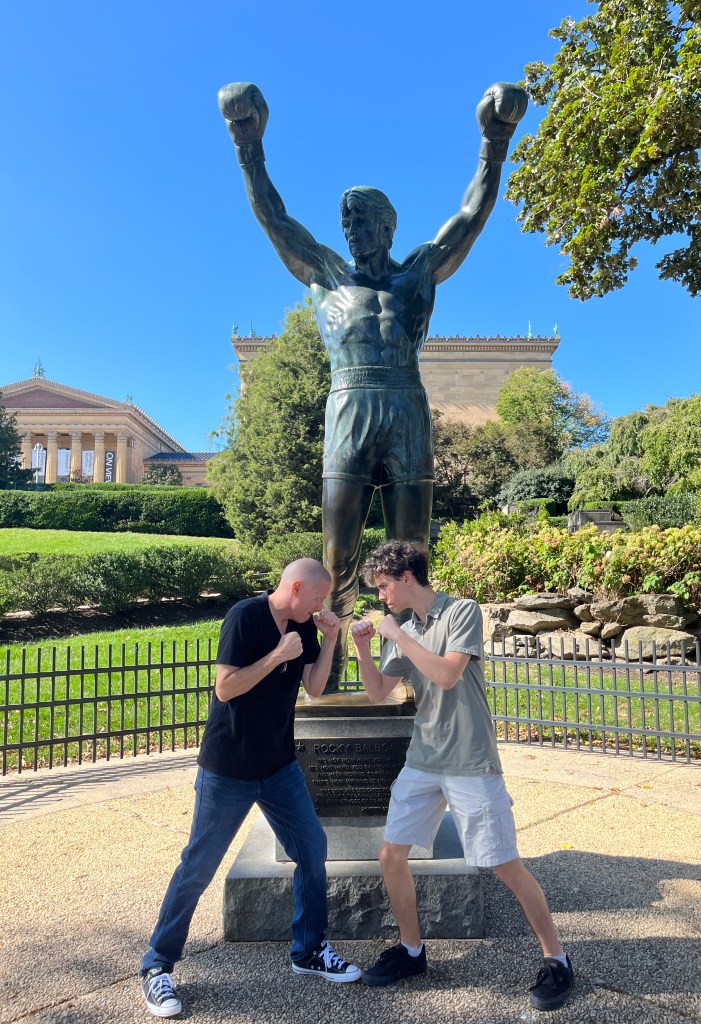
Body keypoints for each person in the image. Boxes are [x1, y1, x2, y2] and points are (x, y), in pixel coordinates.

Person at [217, 79, 527, 688]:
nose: (351, 230)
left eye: (362, 221)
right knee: (338, 555)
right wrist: (247, 141)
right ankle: (326, 676)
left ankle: (404, 671)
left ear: (388, 227)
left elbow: (471, 216)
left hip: (406, 406)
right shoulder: (325, 275)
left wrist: (495, 140)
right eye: (345, 221)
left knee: (411, 552)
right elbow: (273, 216)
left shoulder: (418, 275)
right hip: (349, 405)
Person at [350, 541, 574, 1012]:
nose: (382, 597)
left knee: (503, 865)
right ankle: (412, 952)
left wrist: (397, 634)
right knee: (391, 854)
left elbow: (448, 674)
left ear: (407, 577)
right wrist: (364, 648)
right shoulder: (402, 629)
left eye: (385, 587)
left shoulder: (461, 612)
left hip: (471, 759)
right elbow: (377, 693)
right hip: (424, 757)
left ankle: (556, 960)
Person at [139, 559, 361, 1018]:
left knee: (313, 850)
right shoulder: (245, 615)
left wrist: (332, 638)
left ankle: (309, 951)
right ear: (295, 587)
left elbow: (315, 689)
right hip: (229, 768)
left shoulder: (305, 625)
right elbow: (225, 688)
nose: (322, 606)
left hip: (279, 766)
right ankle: (158, 966)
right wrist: (277, 656)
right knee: (198, 866)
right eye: (318, 597)